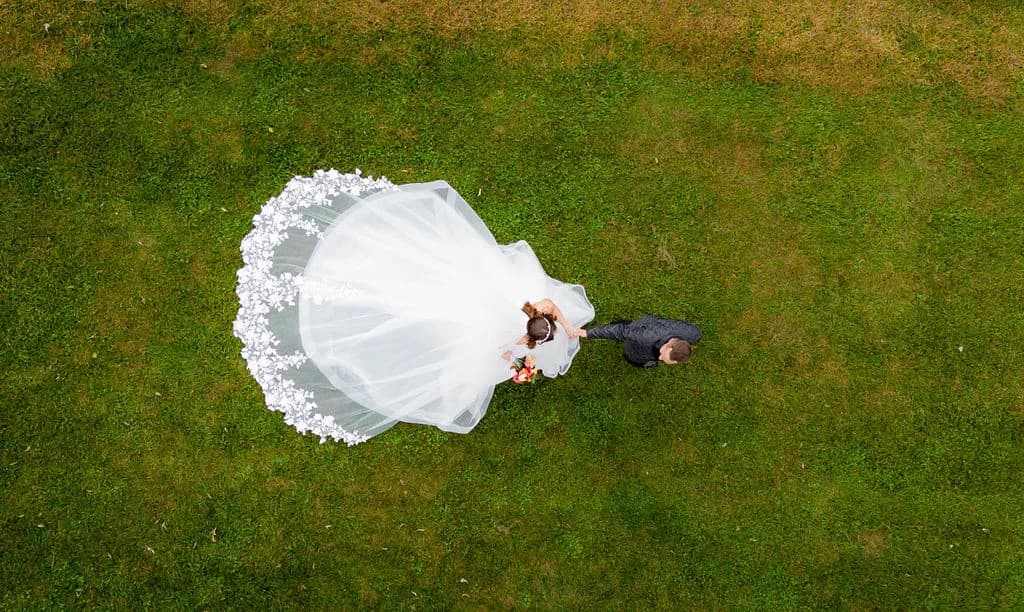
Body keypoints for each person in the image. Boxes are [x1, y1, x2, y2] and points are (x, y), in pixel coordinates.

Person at [234, 169, 594, 445]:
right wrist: (518, 366)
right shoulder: (525, 333)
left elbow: (549, 321)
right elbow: (505, 354)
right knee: (417, 309)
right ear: (536, 328)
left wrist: (565, 330)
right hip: (476, 315)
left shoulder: (540, 309)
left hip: (486, 316)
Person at [580, 315, 701, 368]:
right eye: (663, 356)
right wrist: (587, 333)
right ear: (669, 346)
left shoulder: (693, 334)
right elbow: (620, 331)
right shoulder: (646, 337)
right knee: (632, 354)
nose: (660, 358)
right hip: (642, 331)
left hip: (653, 325)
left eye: (665, 359)